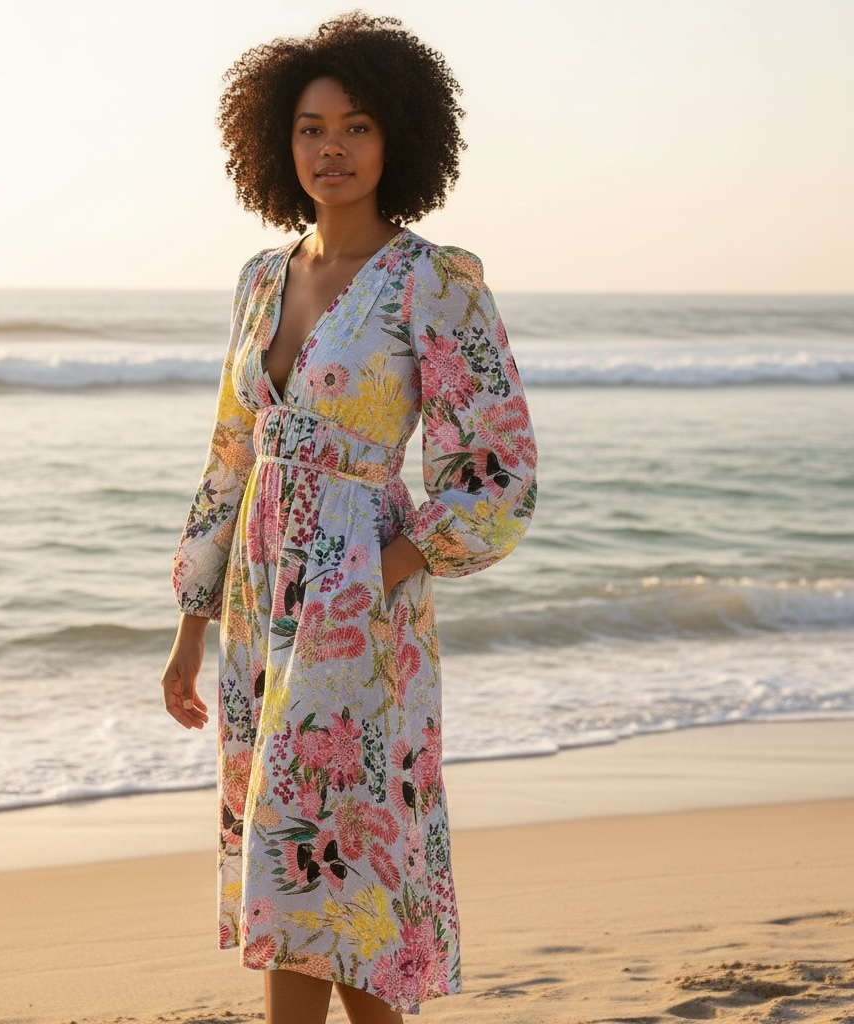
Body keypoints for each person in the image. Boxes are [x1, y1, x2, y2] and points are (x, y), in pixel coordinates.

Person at [161, 12, 537, 1022]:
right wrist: (189, 628)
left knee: (350, 863)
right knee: (288, 859)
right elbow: (231, 454)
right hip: (257, 605)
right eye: (310, 128)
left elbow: (497, 467)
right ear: (276, 146)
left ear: (398, 139)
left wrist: (389, 565)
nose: (331, 148)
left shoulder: (434, 280)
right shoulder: (260, 281)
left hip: (362, 606)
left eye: (357, 127)